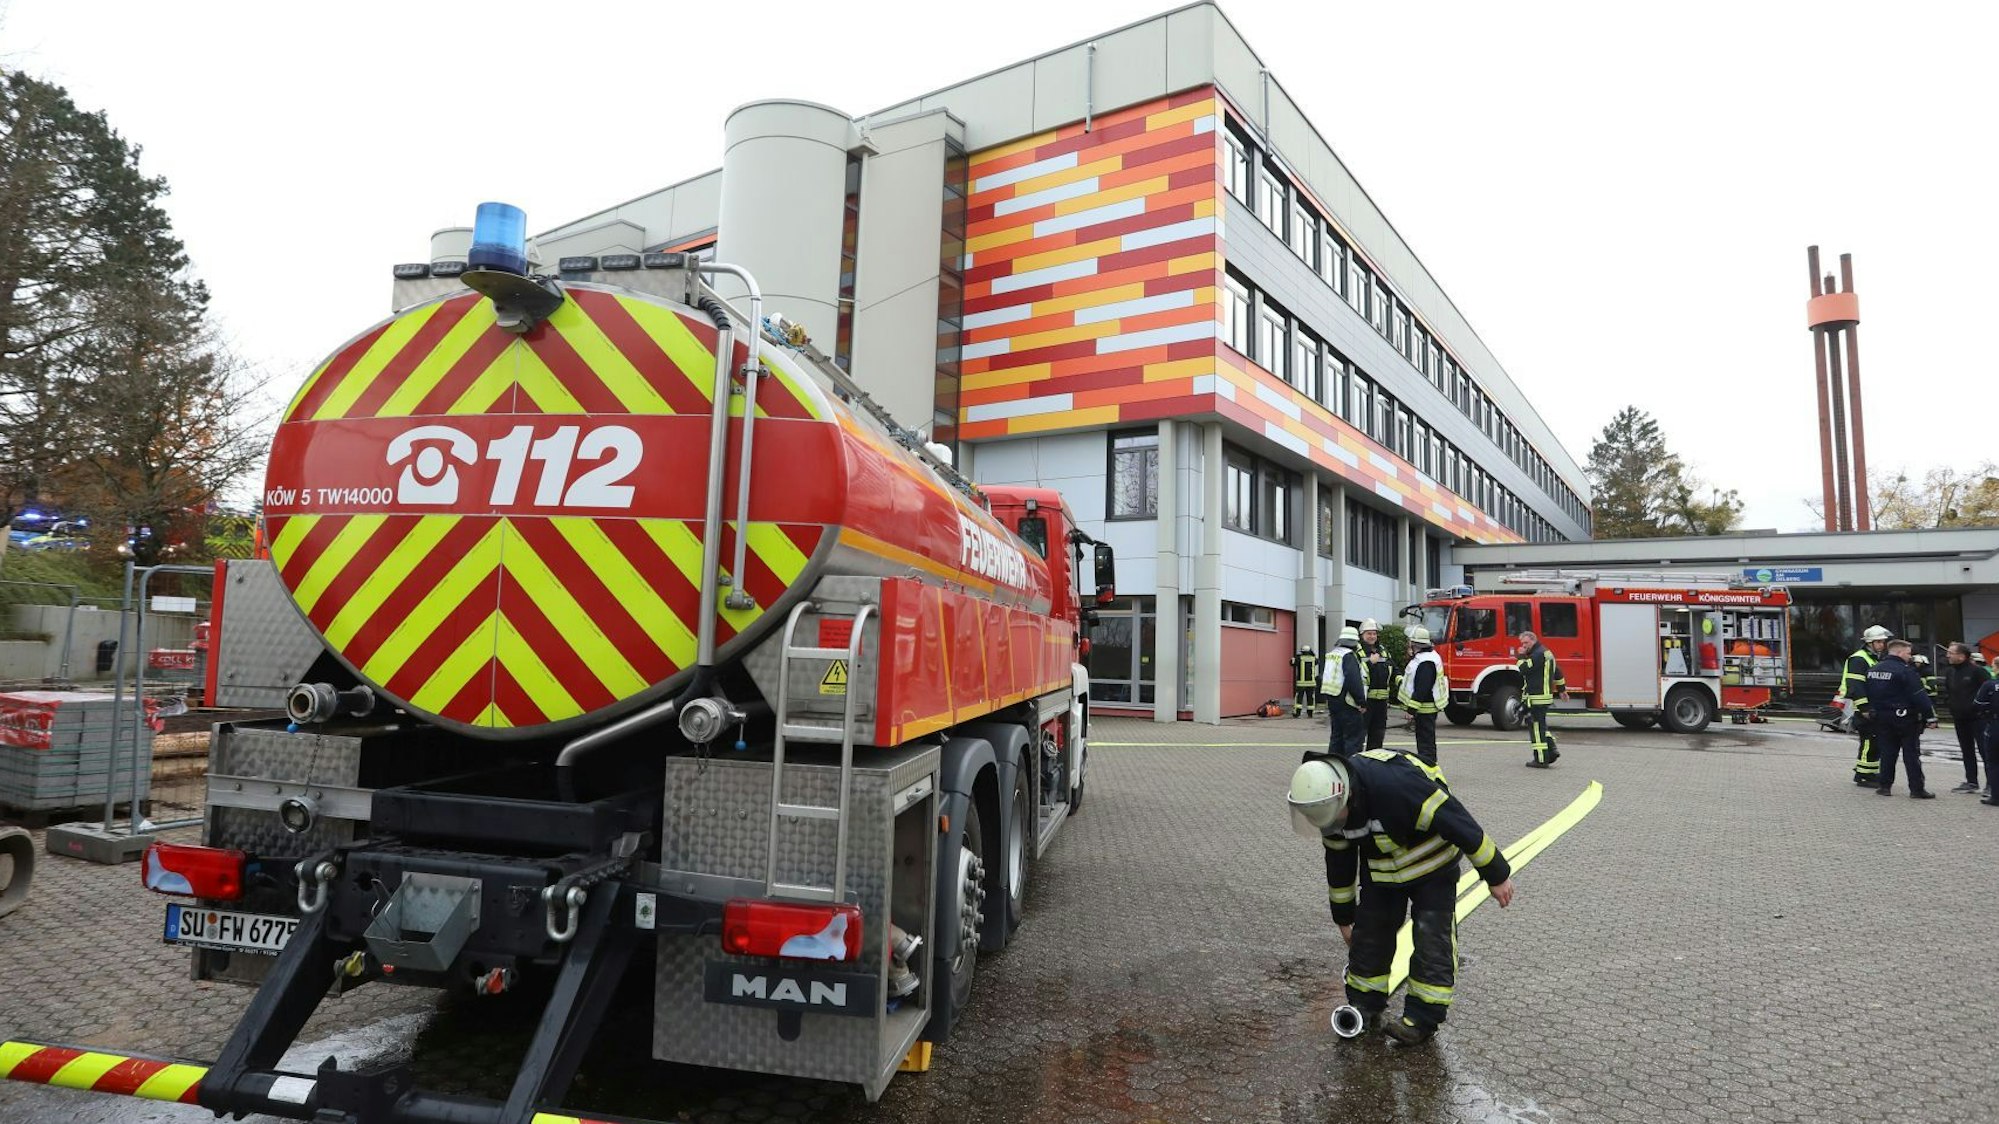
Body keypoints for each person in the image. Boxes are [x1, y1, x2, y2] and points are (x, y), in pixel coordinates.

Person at [1287, 752, 1516, 1045]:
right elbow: (1340, 868)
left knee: (1432, 938)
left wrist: (1496, 875)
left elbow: (1459, 822)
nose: (1327, 824)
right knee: (1370, 934)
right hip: (1383, 872)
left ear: (1345, 795)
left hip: (1431, 865)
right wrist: (1345, 919)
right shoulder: (1329, 812)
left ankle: (1421, 1020)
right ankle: (1364, 1006)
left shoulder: (1397, 787)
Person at [1863, 639, 1938, 798]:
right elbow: (1919, 696)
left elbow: (1868, 693)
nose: (1910, 657)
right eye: (1908, 653)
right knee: (1911, 754)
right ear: (1899, 652)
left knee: (1887, 753)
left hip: (1882, 717)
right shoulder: (1906, 671)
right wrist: (1930, 717)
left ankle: (1884, 786)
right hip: (1905, 718)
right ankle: (1917, 789)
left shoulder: (1873, 670)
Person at [1838, 625, 1892, 786]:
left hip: (1874, 705)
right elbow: (1856, 686)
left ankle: (1869, 772)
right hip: (1866, 707)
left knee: (1875, 741)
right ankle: (1863, 775)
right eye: (1880, 642)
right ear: (1871, 642)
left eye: (1883, 642)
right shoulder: (1859, 659)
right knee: (1869, 741)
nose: (1883, 645)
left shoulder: (1874, 658)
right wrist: (1864, 708)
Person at [1939, 642, 1986, 794]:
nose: (1948, 655)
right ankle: (1971, 781)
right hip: (1959, 718)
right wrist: (1950, 705)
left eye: (1951, 653)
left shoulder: (1977, 671)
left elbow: (1988, 690)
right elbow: (1948, 691)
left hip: (1978, 718)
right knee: (1966, 750)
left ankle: (1992, 783)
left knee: (1986, 751)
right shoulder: (1950, 672)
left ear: (1962, 655)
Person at [1398, 626, 1446, 766]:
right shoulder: (1427, 657)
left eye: (1410, 643)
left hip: (1425, 708)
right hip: (1426, 707)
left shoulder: (1425, 662)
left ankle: (1429, 769)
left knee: (1425, 742)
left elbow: (1422, 688)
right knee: (1426, 740)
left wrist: (1411, 710)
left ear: (1415, 644)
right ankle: (1428, 767)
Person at [1516, 631, 1565, 768]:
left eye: (1526, 643)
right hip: (1543, 696)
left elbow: (1523, 669)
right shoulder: (1546, 653)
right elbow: (1557, 672)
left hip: (1536, 697)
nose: (1524, 646)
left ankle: (1541, 759)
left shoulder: (1537, 655)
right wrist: (1562, 690)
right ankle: (1552, 750)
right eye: (1522, 644)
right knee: (1541, 726)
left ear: (1533, 640)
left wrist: (1520, 656)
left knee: (1536, 728)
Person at [1320, 625, 1367, 759]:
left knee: (1336, 738)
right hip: (1347, 703)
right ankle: (1351, 771)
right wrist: (1361, 702)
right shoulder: (1349, 656)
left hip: (1333, 701)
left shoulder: (1332, 654)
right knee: (1353, 740)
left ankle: (1332, 768)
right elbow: (1353, 681)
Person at [1358, 619, 1395, 752]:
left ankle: (1372, 765)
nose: (1372, 636)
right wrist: (1370, 663)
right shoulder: (1359, 651)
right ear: (1362, 635)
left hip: (1381, 703)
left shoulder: (1383, 651)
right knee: (1359, 736)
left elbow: (1393, 668)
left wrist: (1401, 681)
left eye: (1374, 633)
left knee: (1378, 736)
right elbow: (1357, 673)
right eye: (1369, 634)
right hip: (1365, 702)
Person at [1291, 645, 1321, 719]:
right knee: (1310, 698)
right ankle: (1310, 713)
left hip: (1301, 683)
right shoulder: (1314, 659)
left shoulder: (1299, 658)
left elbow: (1292, 663)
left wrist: (1295, 657)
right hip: (1311, 683)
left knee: (1299, 699)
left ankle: (1297, 713)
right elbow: (1318, 661)